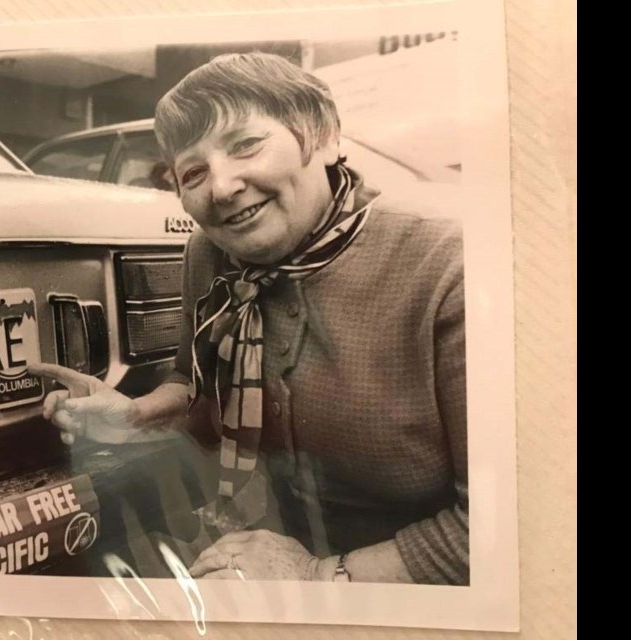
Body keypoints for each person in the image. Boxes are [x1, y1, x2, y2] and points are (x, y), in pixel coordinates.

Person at [30, 52, 467, 585]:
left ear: (325, 136)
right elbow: (199, 385)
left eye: (245, 146)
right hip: (277, 553)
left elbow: (502, 529)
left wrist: (316, 577)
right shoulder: (210, 254)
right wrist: (136, 415)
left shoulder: (449, 266)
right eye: (193, 172)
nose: (221, 186)